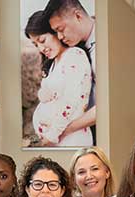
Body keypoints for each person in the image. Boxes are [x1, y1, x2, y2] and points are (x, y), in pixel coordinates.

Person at [25, 11, 93, 147]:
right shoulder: (53, 63)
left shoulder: (74, 55)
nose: (41, 48)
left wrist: (51, 135)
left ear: (56, 32)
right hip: (57, 139)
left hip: (71, 138)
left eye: (42, 40)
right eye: (35, 44)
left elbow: (72, 100)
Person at [45, 0, 96, 143]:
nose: (60, 37)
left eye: (61, 29)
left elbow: (105, 106)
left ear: (78, 16)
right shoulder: (74, 51)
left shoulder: (103, 49)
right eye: (56, 32)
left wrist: (63, 131)